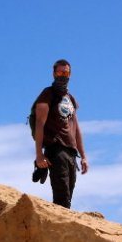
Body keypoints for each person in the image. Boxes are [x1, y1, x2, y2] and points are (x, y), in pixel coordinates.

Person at [33, 59, 88, 209]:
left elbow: (76, 128)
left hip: (71, 152)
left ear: (70, 74)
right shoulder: (47, 94)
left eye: (65, 72)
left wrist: (83, 156)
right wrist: (39, 154)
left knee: (68, 196)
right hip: (56, 150)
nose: (62, 75)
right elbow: (39, 124)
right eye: (59, 72)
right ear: (53, 74)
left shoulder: (70, 98)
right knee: (62, 196)